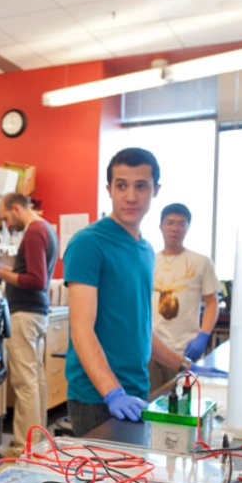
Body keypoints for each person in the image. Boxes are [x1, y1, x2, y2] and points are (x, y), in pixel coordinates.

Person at [63, 148, 189, 437]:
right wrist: (113, 392)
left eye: (141, 186)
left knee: (132, 479)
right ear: (109, 189)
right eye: (121, 185)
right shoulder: (88, 244)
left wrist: (184, 365)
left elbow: (141, 327)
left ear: (155, 190)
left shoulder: (145, 250)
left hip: (136, 391)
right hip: (97, 397)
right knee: (103, 482)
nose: (130, 196)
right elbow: (81, 330)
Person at [0, 192, 58, 453]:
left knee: (24, 382)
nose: (7, 224)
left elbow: (37, 280)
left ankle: (23, 446)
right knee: (35, 377)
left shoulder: (34, 231)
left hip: (25, 314)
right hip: (37, 313)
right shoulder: (45, 227)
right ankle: (37, 441)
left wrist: (2, 272)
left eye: (6, 218)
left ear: (16, 209)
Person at [150, 203, 220, 393]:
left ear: (188, 227)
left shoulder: (201, 262)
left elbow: (212, 303)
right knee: (152, 403)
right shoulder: (148, 261)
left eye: (181, 223)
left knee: (184, 403)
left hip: (186, 350)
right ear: (161, 226)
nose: (175, 228)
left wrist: (203, 335)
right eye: (170, 223)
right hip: (152, 350)